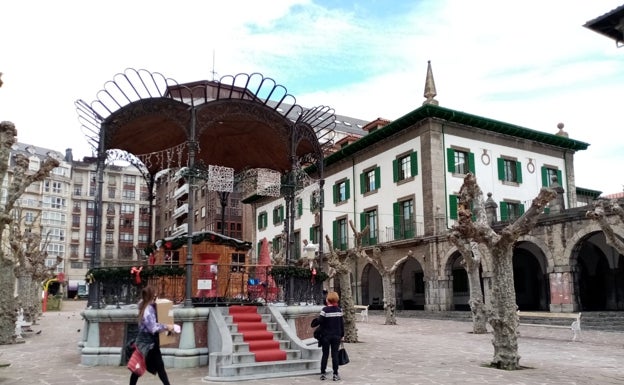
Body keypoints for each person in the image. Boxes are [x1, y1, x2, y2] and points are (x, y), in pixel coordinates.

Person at [129, 286, 176, 385]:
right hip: (147, 344)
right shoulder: (147, 310)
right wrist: (167, 326)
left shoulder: (145, 306)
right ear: (151, 295)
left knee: (154, 367)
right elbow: (153, 328)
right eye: (154, 294)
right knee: (140, 367)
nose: (156, 296)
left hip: (147, 343)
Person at [318, 291, 344, 381]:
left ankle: (323, 373)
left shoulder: (324, 310)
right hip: (336, 335)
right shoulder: (339, 310)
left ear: (328, 299)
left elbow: (320, 321)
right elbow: (341, 324)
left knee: (325, 354)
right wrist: (342, 335)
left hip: (326, 336)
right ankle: (335, 374)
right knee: (335, 355)